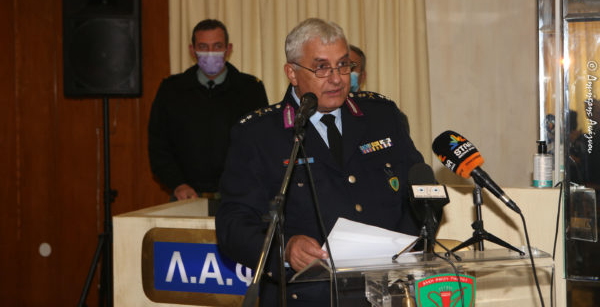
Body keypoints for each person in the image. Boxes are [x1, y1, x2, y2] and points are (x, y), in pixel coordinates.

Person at [216, 18, 424, 306]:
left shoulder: (383, 117)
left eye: (343, 65)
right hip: (305, 296)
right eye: (322, 67)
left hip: (385, 291)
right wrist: (285, 249)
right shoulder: (259, 134)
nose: (337, 79)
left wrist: (401, 250)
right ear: (292, 73)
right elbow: (232, 225)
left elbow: (422, 192)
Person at [148, 19, 269, 214]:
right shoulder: (171, 90)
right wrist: (177, 184)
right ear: (192, 50)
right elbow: (158, 145)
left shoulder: (250, 89)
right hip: (186, 199)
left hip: (239, 199)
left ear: (228, 49)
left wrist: (245, 184)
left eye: (217, 46)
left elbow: (262, 143)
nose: (210, 53)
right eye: (203, 47)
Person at [349, 44, 411, 134]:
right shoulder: (328, 111)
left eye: (351, 67)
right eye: (340, 66)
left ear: (363, 76)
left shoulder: (387, 114)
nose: (345, 73)